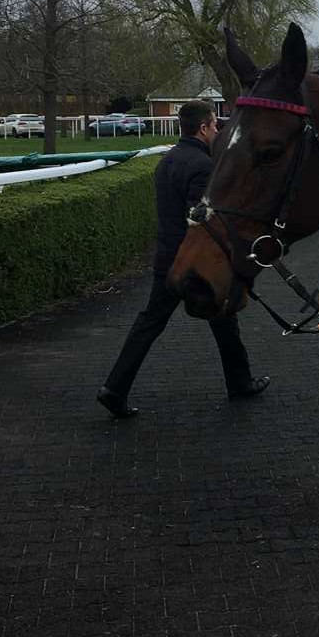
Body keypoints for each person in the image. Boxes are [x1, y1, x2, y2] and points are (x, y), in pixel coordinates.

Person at [96, 101, 270, 418]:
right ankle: (240, 382)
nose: (217, 130)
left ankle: (114, 388)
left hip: (166, 256)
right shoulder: (203, 166)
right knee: (221, 313)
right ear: (203, 128)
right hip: (193, 263)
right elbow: (201, 220)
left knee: (154, 322)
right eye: (215, 125)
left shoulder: (168, 161)